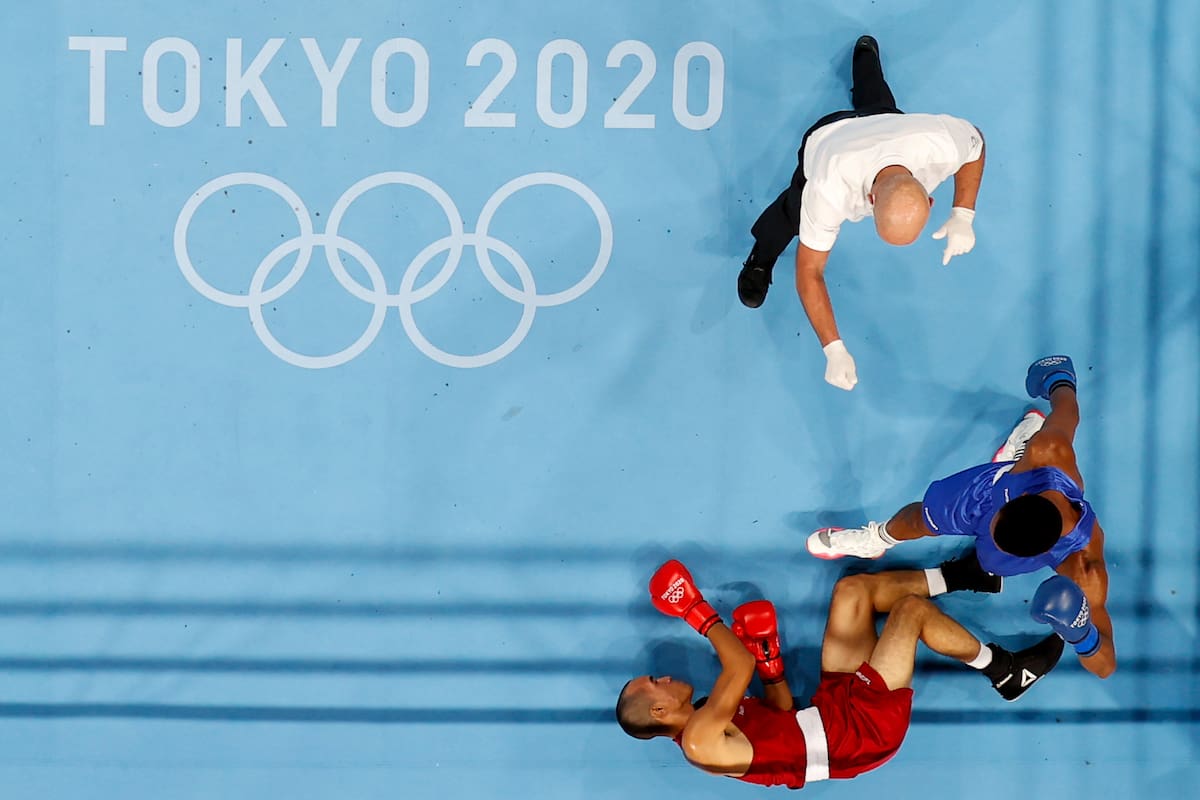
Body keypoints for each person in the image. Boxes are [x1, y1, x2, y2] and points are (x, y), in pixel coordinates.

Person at [615, 559, 1062, 790]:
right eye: (656, 683)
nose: (665, 678)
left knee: (852, 592)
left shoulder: (704, 718)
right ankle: (1005, 670)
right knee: (909, 614)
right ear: (658, 710)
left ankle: (969, 573)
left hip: (830, 712)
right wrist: (698, 613)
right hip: (858, 735)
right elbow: (739, 665)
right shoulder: (698, 741)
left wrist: (772, 667)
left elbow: (781, 713)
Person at [806, 355, 1117, 679]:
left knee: (988, 563)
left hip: (1007, 537)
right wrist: (1058, 378)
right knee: (919, 520)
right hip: (988, 494)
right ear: (1022, 498)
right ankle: (876, 539)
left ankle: (1010, 466)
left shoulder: (1083, 563)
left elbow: (1106, 666)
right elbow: (1067, 403)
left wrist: (1083, 636)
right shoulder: (1050, 450)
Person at [737, 35, 986, 391]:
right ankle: (761, 257)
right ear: (870, 201)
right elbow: (810, 271)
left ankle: (866, 56)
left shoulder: (939, 141)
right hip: (831, 135)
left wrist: (963, 214)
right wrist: (833, 348)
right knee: (792, 211)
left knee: (881, 108)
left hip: (892, 129)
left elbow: (976, 146)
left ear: (929, 199)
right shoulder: (828, 187)